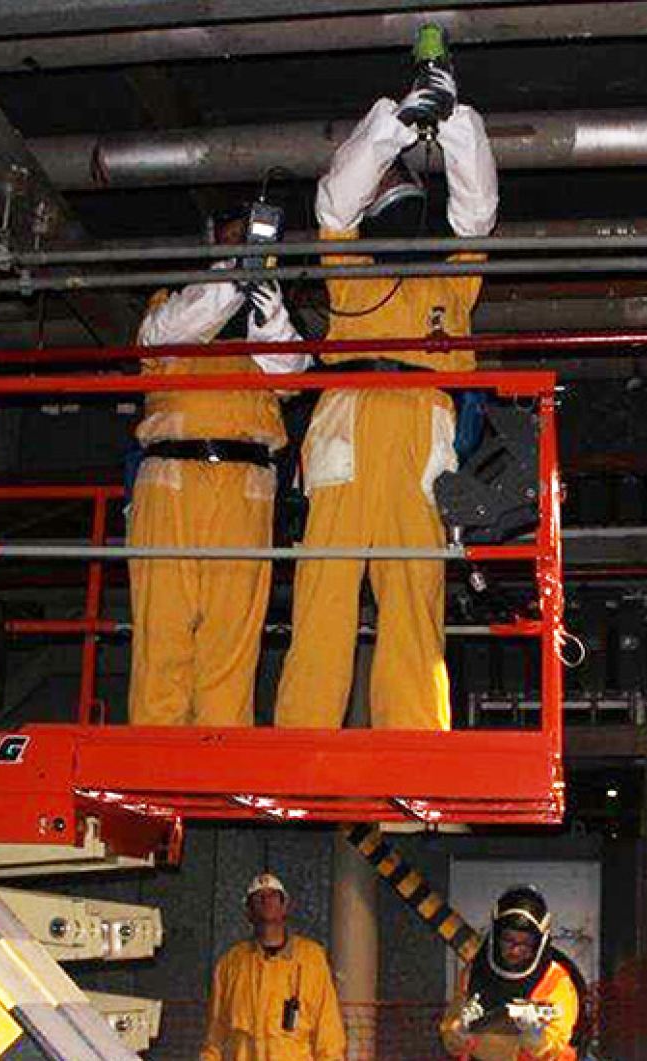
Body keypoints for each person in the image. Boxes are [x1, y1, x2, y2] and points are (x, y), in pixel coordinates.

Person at [274, 63, 498, 730]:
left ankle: (417, 740)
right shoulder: (349, 273)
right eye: (382, 182)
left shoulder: (452, 279)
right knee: (325, 589)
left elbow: (478, 209)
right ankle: (303, 736)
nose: (387, 193)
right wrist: (395, 126)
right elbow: (333, 203)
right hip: (350, 419)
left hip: (421, 431)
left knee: (414, 591)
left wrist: (450, 118)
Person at [128, 209, 309, 726]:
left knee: (232, 636)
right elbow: (166, 334)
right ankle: (153, 764)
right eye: (233, 241)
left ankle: (216, 773)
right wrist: (235, 277)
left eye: (251, 243)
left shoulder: (272, 322)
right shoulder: (172, 303)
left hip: (247, 485)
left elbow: (291, 375)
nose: (243, 249)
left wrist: (269, 313)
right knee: (163, 628)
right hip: (171, 478)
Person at [200, 873, 348, 1061]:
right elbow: (215, 1036)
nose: (266, 900)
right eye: (258, 897)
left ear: (285, 906)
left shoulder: (312, 960)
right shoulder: (231, 964)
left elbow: (329, 1035)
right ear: (248, 911)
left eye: (273, 895)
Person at [439, 886, 589, 1061]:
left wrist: (535, 1035)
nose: (516, 951)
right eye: (508, 940)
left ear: (539, 942)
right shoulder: (474, 973)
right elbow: (450, 1037)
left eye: (525, 943)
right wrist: (460, 1031)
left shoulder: (556, 981)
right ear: (495, 936)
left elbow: (556, 1046)